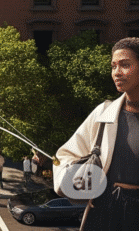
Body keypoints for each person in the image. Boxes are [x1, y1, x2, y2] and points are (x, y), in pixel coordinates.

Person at [54, 36, 139, 231]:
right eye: (113, 66)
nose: (117, 72)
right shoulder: (104, 113)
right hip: (103, 215)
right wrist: (76, 179)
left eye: (125, 65)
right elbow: (64, 156)